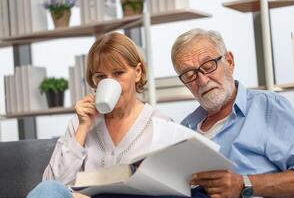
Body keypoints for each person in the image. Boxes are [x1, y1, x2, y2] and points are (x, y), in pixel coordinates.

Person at [27, 32, 208, 198]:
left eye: (118, 73)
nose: (109, 82)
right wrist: (82, 129)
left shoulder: (161, 125)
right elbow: (50, 185)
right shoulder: (80, 123)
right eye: (101, 77)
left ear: (137, 73)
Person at [171, 28, 294, 198]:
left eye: (208, 66)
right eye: (189, 75)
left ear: (229, 62)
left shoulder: (267, 106)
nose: (202, 80)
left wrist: (244, 184)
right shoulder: (185, 127)